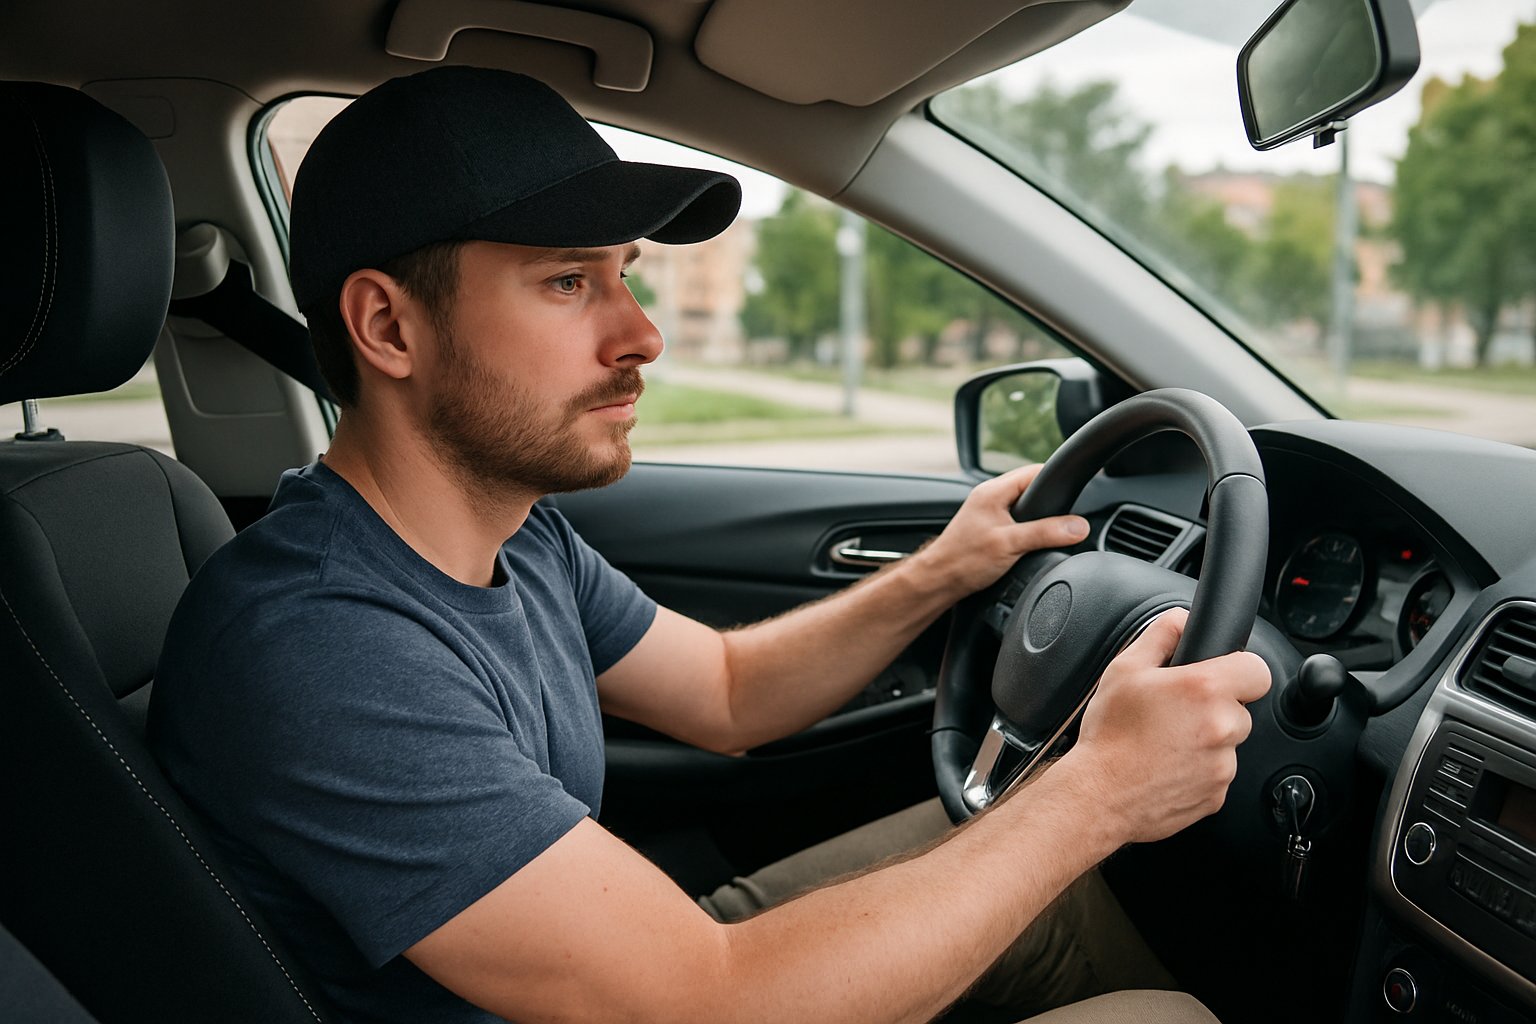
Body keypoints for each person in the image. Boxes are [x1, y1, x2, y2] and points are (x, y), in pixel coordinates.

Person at [148, 66, 1271, 1024]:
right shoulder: (321, 645)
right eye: (567, 281)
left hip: (644, 969)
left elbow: (730, 692)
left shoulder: (516, 539)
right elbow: (711, 1001)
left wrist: (946, 566)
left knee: (1056, 884)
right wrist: (1098, 792)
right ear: (389, 326)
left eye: (624, 274)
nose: (642, 334)